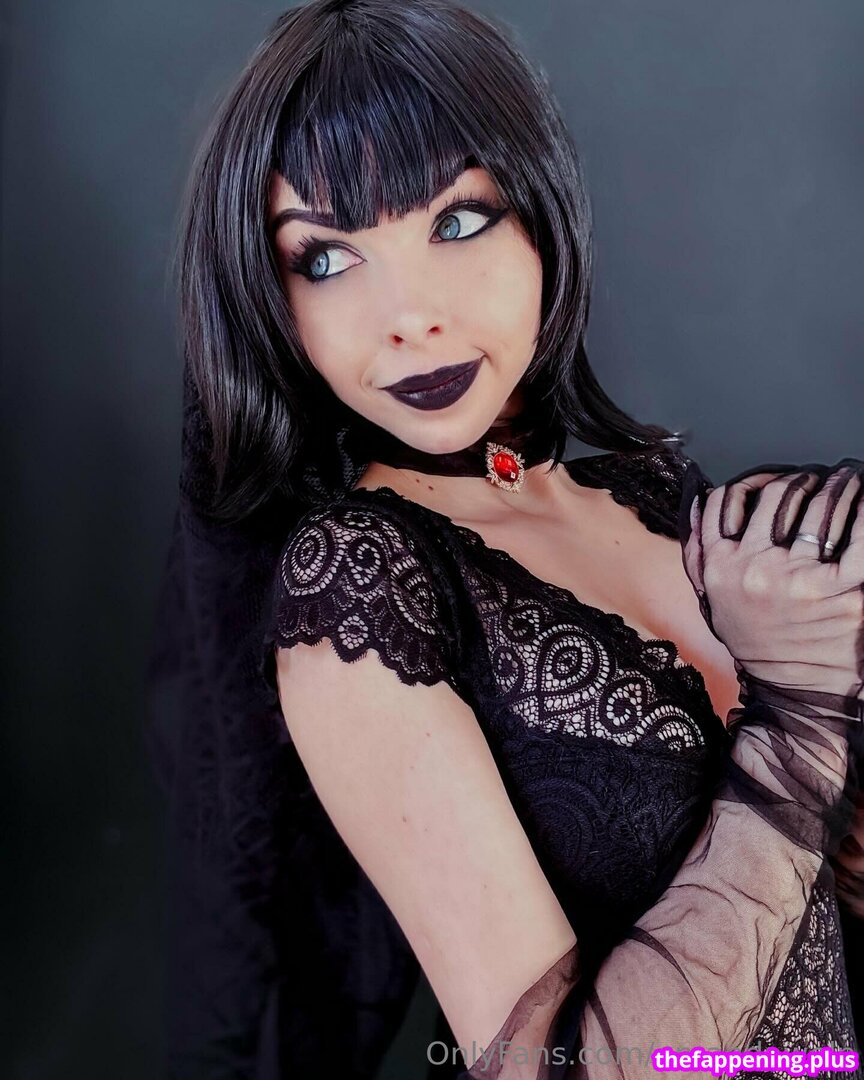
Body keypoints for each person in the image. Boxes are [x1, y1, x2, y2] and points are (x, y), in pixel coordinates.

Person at [146, 0, 864, 1077]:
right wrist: (800, 719)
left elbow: (813, 924)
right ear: (269, 295)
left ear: (543, 214)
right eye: (326, 259)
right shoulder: (361, 582)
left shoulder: (654, 494)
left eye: (456, 220)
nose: (409, 315)